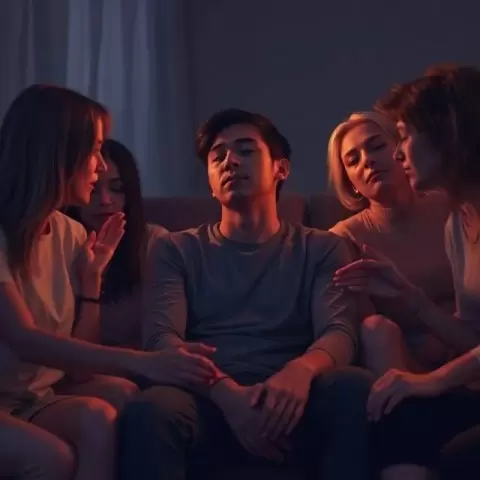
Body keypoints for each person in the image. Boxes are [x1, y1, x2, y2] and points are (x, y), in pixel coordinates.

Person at [118, 108, 374, 480]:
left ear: (280, 169)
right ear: (210, 181)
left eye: (245, 150)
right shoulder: (175, 249)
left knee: (352, 388)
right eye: (217, 156)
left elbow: (339, 332)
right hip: (208, 396)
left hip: (293, 396)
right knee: (151, 410)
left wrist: (300, 371)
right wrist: (225, 394)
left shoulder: (323, 247)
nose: (230, 161)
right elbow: (162, 339)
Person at [0, 84, 218, 480]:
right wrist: (145, 361)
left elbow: (78, 371)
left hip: (28, 397)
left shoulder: (70, 234)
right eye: (95, 150)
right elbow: (23, 338)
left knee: (102, 412)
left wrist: (91, 283)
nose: (101, 166)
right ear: (58, 153)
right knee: (51, 458)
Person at [333, 67, 480, 479]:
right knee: (401, 422)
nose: (398, 154)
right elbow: (473, 337)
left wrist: (435, 381)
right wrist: (409, 296)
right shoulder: (457, 225)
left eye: (404, 136)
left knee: (460, 456)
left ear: (447, 132)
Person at [327, 111, 453, 375]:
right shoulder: (343, 238)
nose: (368, 161)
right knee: (375, 330)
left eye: (377, 146)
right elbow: (360, 322)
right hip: (409, 359)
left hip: (469, 339)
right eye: (353, 160)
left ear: (402, 148)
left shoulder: (449, 203)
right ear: (350, 182)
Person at [66, 139, 167, 349]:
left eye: (116, 188)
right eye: (93, 188)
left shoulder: (154, 243)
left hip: (144, 361)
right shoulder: (62, 242)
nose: (105, 200)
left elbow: (166, 334)